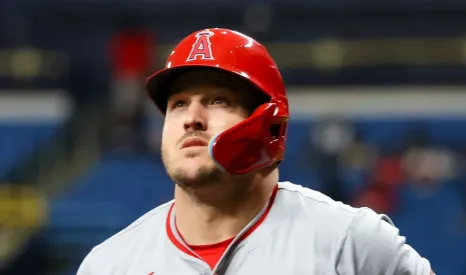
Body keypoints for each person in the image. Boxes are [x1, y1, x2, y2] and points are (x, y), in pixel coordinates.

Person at [76, 28, 435, 275]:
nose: (192, 119)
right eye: (179, 104)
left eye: (218, 101)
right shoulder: (110, 264)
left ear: (267, 124)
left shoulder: (351, 241)